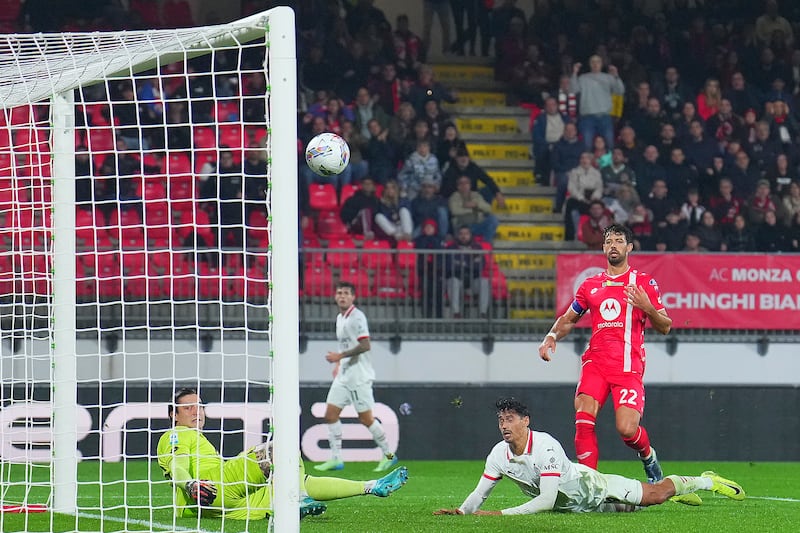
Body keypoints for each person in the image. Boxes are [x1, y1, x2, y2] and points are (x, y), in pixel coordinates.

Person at [537, 224, 701, 506]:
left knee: (626, 429)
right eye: (608, 241)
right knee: (583, 417)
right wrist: (551, 336)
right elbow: (569, 318)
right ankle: (588, 486)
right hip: (596, 364)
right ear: (603, 249)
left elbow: (666, 326)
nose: (613, 245)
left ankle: (648, 457)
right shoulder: (591, 285)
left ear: (629, 248)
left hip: (628, 367)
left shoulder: (644, 283)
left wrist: (647, 307)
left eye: (619, 241)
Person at [434, 398, 744, 516]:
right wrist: (462, 512)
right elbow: (480, 493)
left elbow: (544, 501)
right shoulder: (498, 455)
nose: (505, 425)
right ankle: (675, 491)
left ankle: (706, 481)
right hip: (574, 508)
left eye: (511, 419)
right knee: (628, 512)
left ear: (526, 422)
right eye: (501, 420)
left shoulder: (546, 447)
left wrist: (499, 516)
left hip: (593, 487)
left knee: (655, 496)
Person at [156, 388, 408, 521]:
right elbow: (178, 464)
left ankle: (371, 486)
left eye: (199, 405)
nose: (196, 411)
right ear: (173, 415)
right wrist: (188, 483)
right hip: (214, 486)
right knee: (281, 449)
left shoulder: (195, 437)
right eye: (187, 407)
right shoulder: (175, 435)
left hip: (229, 507)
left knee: (294, 479)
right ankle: (297, 499)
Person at [315, 281, 399, 472]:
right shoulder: (340, 318)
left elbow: (365, 345)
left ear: (353, 297)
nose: (342, 296)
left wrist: (339, 357)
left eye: (346, 293)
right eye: (339, 292)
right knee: (330, 415)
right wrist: (338, 363)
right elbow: (344, 345)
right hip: (344, 375)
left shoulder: (357, 317)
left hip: (359, 377)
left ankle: (388, 455)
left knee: (366, 419)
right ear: (335, 296)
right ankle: (336, 459)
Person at [569, 55, 625, 150]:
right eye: (593, 62)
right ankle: (589, 165)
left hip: (605, 116)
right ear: (590, 64)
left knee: (609, 146)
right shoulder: (583, 78)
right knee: (587, 146)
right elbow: (573, 90)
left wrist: (616, 75)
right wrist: (574, 73)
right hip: (587, 117)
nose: (595, 64)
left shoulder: (608, 77)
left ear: (601, 64)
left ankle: (607, 165)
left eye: (598, 61)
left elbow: (620, 91)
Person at [445, 225, 490, 319]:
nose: (464, 236)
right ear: (457, 236)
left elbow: (481, 265)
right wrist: (470, 261)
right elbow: (450, 266)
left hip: (473, 280)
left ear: (470, 235)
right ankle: (456, 313)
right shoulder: (451, 248)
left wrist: (462, 263)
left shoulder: (477, 247)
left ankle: (483, 313)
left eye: (466, 234)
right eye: (461, 234)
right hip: (458, 280)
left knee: (484, 282)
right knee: (453, 281)